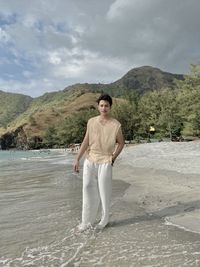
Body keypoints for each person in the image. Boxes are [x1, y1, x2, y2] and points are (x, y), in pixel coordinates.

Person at [73, 93, 124, 231]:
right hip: (90, 159)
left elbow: (121, 143)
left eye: (106, 105)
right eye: (101, 105)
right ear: (98, 107)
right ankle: (86, 221)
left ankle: (105, 219)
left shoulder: (116, 125)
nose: (104, 108)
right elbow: (85, 141)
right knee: (87, 188)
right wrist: (77, 159)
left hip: (105, 161)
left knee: (104, 190)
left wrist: (113, 158)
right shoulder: (91, 121)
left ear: (110, 107)